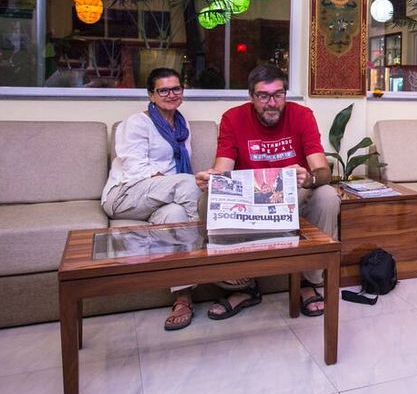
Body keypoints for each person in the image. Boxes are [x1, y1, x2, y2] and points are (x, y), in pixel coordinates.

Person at [197, 64, 339, 317]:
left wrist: (309, 178)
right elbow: (223, 169)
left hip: (294, 193)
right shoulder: (233, 118)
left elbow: (324, 171)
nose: (272, 103)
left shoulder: (302, 115)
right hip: (250, 198)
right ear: (251, 96)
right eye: (263, 96)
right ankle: (243, 285)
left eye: (278, 94)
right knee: (207, 199)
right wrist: (212, 180)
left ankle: (308, 281)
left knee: (328, 195)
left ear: (285, 94)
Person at [102, 67, 202, 331]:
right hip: (126, 194)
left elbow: (179, 169)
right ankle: (207, 258)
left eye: (176, 88)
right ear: (151, 95)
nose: (171, 94)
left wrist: (177, 186)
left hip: (161, 199)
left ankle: (183, 298)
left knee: (176, 215)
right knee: (188, 182)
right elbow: (136, 168)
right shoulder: (137, 123)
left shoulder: (182, 124)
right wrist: (177, 184)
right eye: (163, 90)